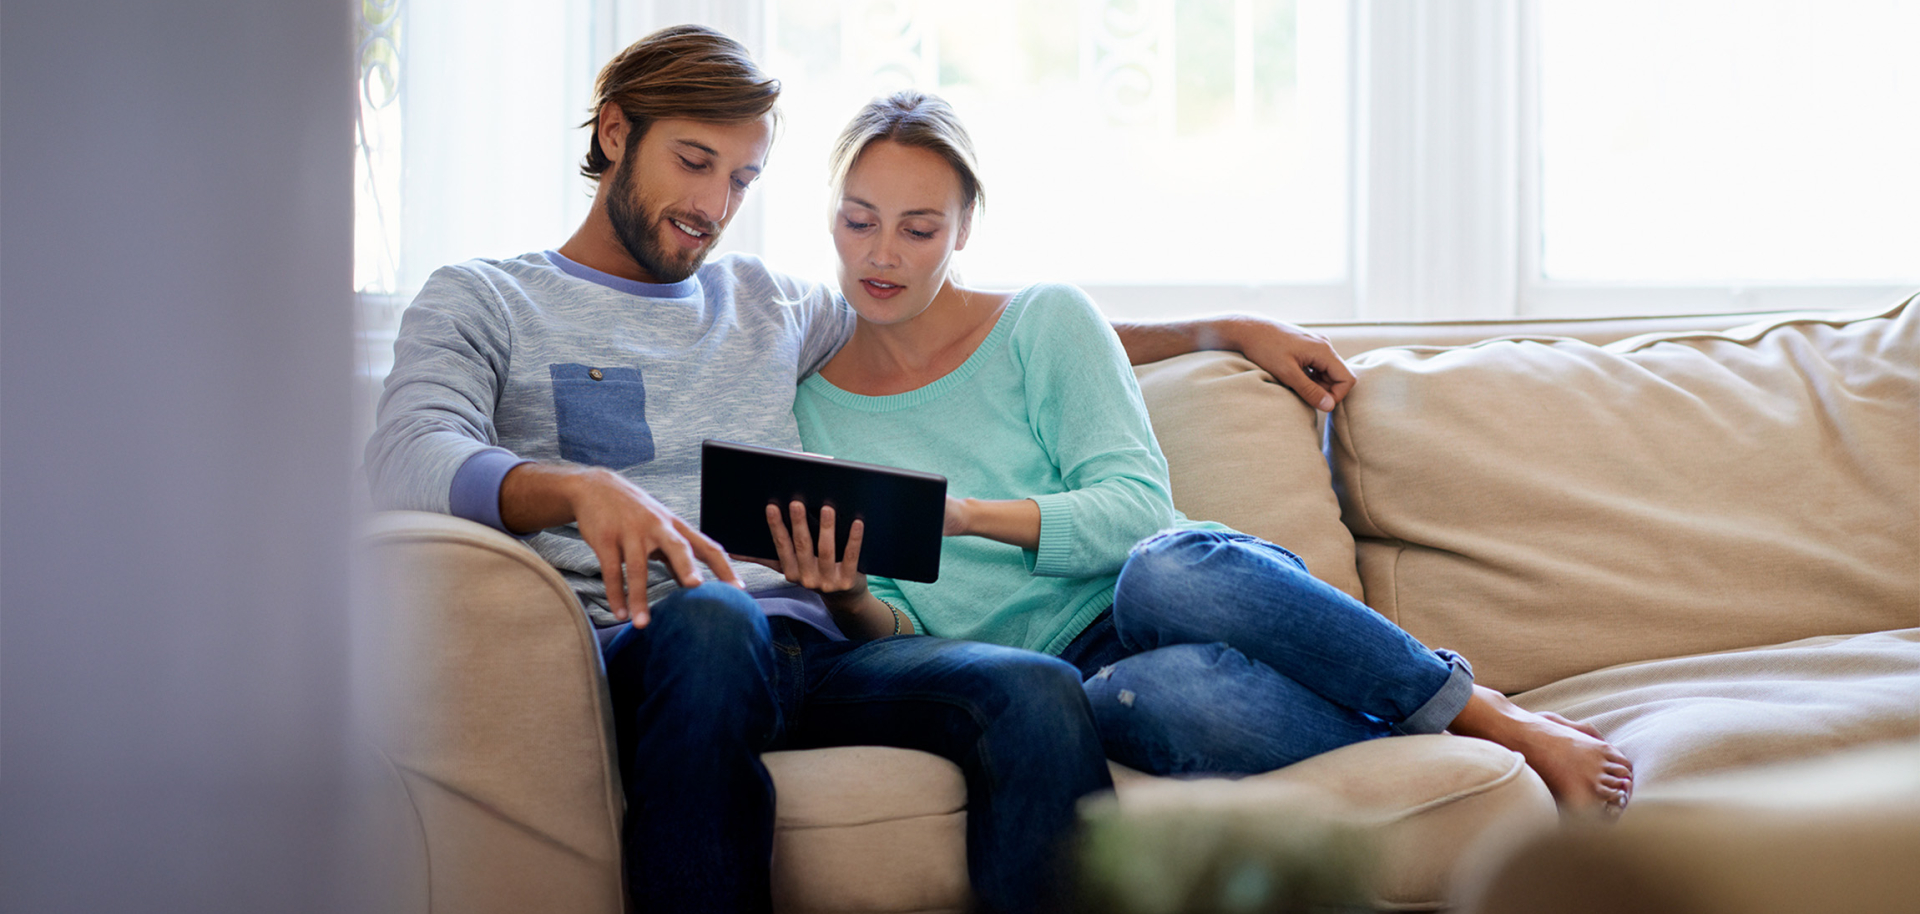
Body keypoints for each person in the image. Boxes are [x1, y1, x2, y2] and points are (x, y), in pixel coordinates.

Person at [364, 26, 1362, 913]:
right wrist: (576, 486)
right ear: (617, 133)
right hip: (656, 651)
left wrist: (1219, 329)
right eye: (695, 162)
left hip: (816, 645)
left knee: (1033, 687)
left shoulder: (764, 301)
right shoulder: (486, 298)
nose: (713, 205)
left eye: (742, 179)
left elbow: (961, 323)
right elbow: (409, 452)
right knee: (713, 616)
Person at [772, 89, 1635, 819]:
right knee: (1146, 705)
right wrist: (846, 592)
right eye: (858, 221)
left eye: (919, 230)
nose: (881, 254)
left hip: (1162, 595)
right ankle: (1420, 726)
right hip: (1055, 677)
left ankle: (1489, 715)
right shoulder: (811, 403)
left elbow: (1137, 513)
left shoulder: (1045, 322)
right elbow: (906, 628)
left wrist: (964, 516)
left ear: (963, 231)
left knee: (1167, 569)